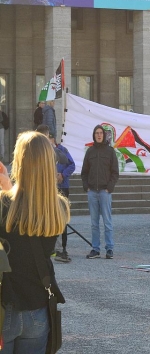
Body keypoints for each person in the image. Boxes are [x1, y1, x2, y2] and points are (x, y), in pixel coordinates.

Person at [0, 131, 70, 353]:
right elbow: (30, 215)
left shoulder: (3, 203)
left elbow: (17, 216)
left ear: (19, 162)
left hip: (5, 305)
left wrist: (6, 188)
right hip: (38, 307)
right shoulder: (59, 208)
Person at [36, 124, 75, 263]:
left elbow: (69, 163)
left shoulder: (60, 150)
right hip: (44, 188)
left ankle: (60, 248)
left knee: (60, 217)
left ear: (51, 138)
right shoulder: (37, 152)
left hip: (61, 187)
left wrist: (62, 174)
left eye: (46, 137)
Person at [81, 125, 119, 259]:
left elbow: (115, 172)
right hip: (92, 192)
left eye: (101, 133)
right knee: (94, 223)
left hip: (105, 192)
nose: (98, 135)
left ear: (104, 135)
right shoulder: (90, 152)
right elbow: (84, 172)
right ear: (94, 135)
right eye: (96, 133)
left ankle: (109, 249)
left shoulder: (110, 151)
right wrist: (86, 187)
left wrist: (110, 188)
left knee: (107, 222)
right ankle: (95, 249)